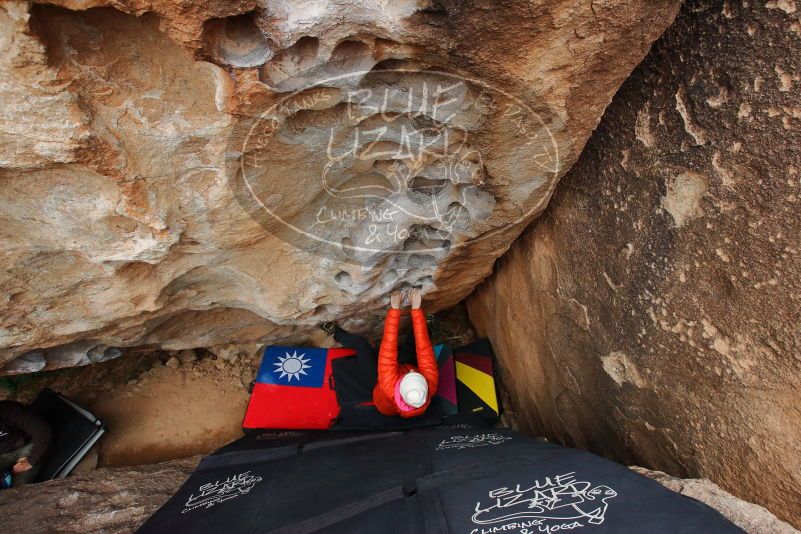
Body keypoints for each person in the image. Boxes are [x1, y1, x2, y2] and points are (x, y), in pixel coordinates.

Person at [327, 287, 439, 418]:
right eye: (418, 375)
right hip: (400, 371)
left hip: (378, 383)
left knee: (360, 344)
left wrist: (395, 309)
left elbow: (388, 345)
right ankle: (428, 326)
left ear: (401, 386)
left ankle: (334, 332)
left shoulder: (388, 383)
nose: (413, 372)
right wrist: (416, 309)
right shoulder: (431, 384)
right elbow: (424, 350)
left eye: (409, 376)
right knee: (414, 339)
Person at [0, 400, 52, 487]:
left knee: (18, 491)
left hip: (25, 448)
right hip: (2, 455)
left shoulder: (8, 410)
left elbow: (42, 430)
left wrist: (31, 461)